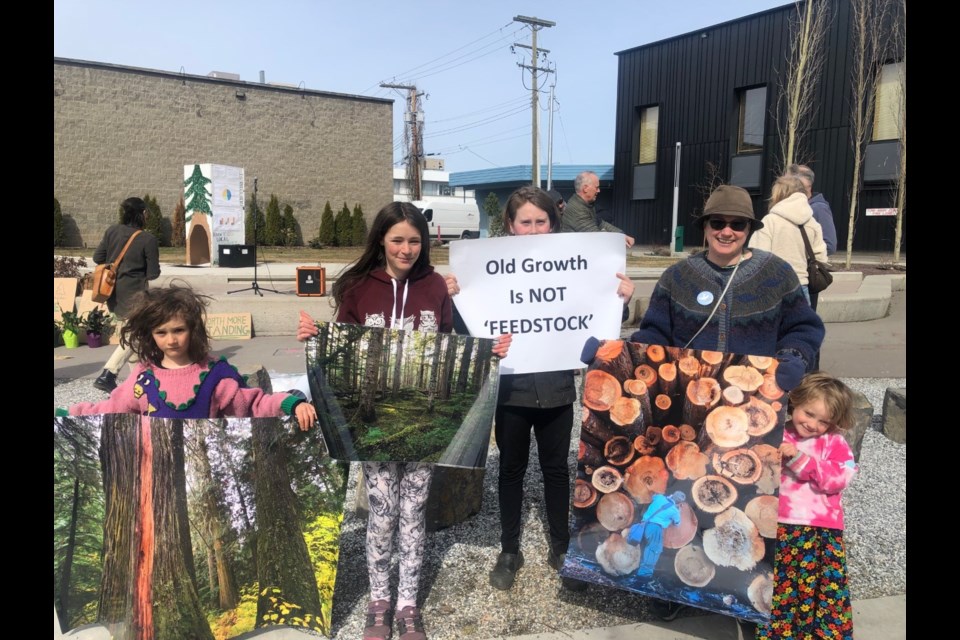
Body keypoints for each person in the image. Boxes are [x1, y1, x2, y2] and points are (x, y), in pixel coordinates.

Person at [296, 202, 508, 640]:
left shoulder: (435, 286)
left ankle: (408, 605)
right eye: (398, 240)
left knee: (413, 512)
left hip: (423, 421)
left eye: (415, 240)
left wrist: (489, 354)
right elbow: (342, 348)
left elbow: (452, 345)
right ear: (381, 241)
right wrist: (314, 339)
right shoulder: (357, 286)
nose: (407, 248)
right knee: (381, 510)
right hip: (371, 424)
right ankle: (379, 603)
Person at [621, 184, 824, 622]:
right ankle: (673, 585)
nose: (727, 231)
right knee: (682, 497)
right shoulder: (678, 277)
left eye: (737, 224)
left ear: (750, 228)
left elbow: (805, 327)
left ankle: (743, 593)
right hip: (690, 411)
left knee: (745, 492)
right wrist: (615, 355)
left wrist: (794, 357)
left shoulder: (777, 275)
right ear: (705, 226)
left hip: (753, 411)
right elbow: (654, 333)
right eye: (718, 222)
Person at [445, 186, 634, 592]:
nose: (532, 230)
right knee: (510, 470)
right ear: (510, 226)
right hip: (511, 389)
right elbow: (467, 332)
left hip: (556, 389)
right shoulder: (487, 271)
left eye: (540, 221)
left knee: (555, 470)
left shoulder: (574, 264)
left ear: (553, 224)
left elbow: (597, 320)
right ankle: (509, 548)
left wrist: (621, 299)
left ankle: (561, 546)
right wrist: (456, 301)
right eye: (524, 222)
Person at [59, 285, 317, 430]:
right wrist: (67, 413)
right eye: (161, 332)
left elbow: (252, 405)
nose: (171, 340)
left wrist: (291, 404)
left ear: (193, 329)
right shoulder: (144, 379)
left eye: (178, 330)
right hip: (154, 474)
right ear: (150, 335)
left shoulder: (215, 374)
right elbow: (110, 409)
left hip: (206, 475)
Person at [755, 372, 858, 640]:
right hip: (780, 528)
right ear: (795, 402)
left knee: (821, 590)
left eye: (824, 421)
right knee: (781, 588)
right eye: (809, 414)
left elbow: (840, 478)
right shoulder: (778, 433)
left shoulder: (834, 442)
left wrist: (800, 459)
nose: (813, 424)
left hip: (819, 531)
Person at [92, 196, 161, 392]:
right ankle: (108, 373)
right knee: (136, 333)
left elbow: (98, 257)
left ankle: (137, 382)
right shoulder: (148, 239)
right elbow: (153, 274)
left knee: (133, 335)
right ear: (142, 214)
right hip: (136, 296)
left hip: (112, 294)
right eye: (147, 212)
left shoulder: (112, 231)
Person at [749, 175, 829, 305]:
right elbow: (821, 258)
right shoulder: (812, 223)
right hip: (801, 286)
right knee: (801, 325)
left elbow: (757, 258)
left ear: (779, 194)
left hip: (773, 288)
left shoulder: (770, 221)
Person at [787, 164, 837, 312]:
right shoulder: (796, 207)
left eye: (787, 180)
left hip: (806, 277)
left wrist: (802, 257)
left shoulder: (818, 208)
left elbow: (830, 244)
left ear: (804, 183)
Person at [559, 171, 635, 247]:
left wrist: (621, 235)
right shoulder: (577, 209)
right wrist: (619, 240)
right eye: (597, 187)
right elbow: (596, 236)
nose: (599, 191)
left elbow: (600, 223)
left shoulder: (585, 205)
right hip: (576, 255)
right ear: (585, 188)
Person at [623, 491, 685, 577]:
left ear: (672, 495)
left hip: (643, 524)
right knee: (654, 549)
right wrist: (678, 510)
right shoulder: (674, 511)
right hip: (654, 528)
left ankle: (633, 570)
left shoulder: (660, 497)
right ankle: (644, 575)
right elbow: (677, 524)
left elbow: (653, 496)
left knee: (644, 547)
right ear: (679, 503)